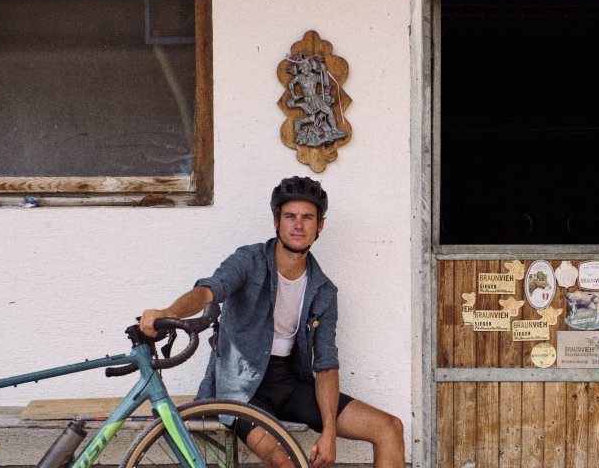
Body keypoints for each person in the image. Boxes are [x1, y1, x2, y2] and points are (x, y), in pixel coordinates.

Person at [140, 176, 404, 468]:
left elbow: (326, 363)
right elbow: (209, 290)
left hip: (289, 384)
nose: (298, 225)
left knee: (389, 429)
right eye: (290, 216)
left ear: (320, 226)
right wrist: (170, 312)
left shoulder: (324, 291)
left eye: (307, 217)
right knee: (285, 461)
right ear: (277, 222)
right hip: (241, 389)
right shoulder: (249, 261)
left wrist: (329, 432)